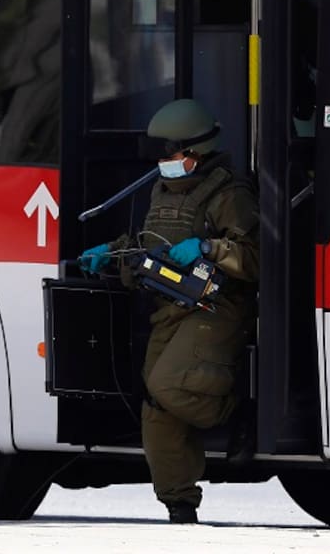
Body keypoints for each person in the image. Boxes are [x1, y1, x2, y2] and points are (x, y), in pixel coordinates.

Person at [79, 98, 259, 524]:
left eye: (171, 155)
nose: (164, 163)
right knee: (156, 406)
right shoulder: (163, 190)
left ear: (196, 154)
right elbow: (152, 244)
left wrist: (209, 248)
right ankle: (179, 504)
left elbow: (256, 259)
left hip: (215, 307)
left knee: (168, 386)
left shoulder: (229, 193)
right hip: (170, 307)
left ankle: (239, 415)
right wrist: (112, 253)